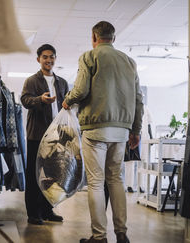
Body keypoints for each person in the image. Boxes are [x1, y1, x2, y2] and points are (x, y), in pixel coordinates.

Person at [63, 21, 143, 243]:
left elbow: (80, 89)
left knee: (97, 182)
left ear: (94, 37)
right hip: (121, 131)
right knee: (116, 179)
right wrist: (135, 130)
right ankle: (122, 234)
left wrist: (67, 101)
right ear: (113, 39)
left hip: (96, 128)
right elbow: (138, 99)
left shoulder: (89, 57)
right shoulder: (130, 62)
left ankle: (99, 237)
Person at [21, 44, 69, 225]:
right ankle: (33, 213)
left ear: (55, 59)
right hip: (37, 135)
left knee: (53, 175)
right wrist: (40, 99)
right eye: (45, 57)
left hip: (57, 136)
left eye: (52, 57)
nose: (49, 60)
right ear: (38, 59)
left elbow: (65, 104)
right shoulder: (32, 81)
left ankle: (47, 210)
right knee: (34, 175)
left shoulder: (62, 82)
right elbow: (25, 100)